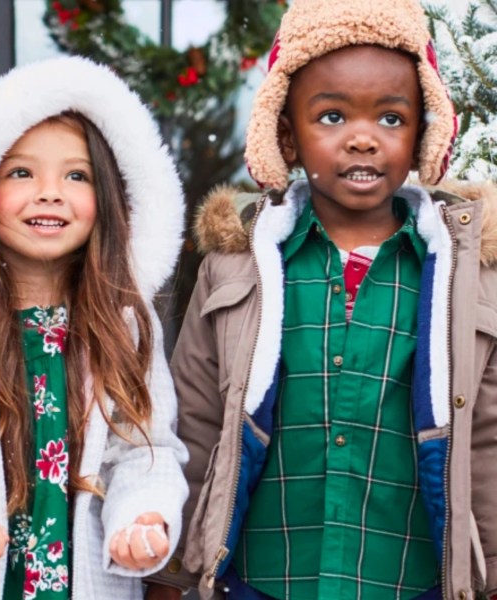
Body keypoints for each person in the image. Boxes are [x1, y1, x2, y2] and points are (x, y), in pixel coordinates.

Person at [145, 0, 497, 598]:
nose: (363, 139)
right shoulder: (238, 266)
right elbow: (197, 420)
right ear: (286, 133)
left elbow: (487, 437)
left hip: (408, 579)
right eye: (331, 117)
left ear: (422, 133)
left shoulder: (462, 272)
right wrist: (173, 571)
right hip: (265, 575)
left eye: (390, 119)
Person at [0, 55, 189, 599]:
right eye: (21, 172)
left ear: (109, 198)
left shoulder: (125, 327)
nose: (50, 192)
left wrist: (142, 518)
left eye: (76, 175)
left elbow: (146, 451)